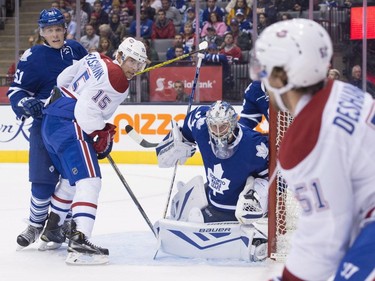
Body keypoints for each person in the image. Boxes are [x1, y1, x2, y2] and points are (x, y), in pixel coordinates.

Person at [250, 18, 375, 280]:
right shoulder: (341, 91)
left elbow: (325, 239)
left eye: (267, 70)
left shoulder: (307, 138)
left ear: (283, 76)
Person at [41, 37, 148, 264]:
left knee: (73, 179)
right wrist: (99, 132)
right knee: (90, 180)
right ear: (119, 56)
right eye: (132, 62)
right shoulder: (119, 79)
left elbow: (62, 79)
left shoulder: (95, 57)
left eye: (140, 64)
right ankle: (80, 241)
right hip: (72, 122)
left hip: (52, 119)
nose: (136, 69)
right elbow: (85, 109)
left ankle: (53, 229)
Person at [6, 8, 87, 249]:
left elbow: (95, 80)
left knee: (75, 179)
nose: (55, 34)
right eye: (49, 30)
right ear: (42, 32)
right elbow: (16, 92)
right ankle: (35, 223)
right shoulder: (33, 57)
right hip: (45, 126)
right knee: (42, 181)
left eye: (58, 29)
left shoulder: (77, 50)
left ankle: (65, 223)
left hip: (75, 125)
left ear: (65, 29)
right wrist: (24, 103)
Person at [154, 100, 269, 261]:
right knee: (190, 214)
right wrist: (177, 143)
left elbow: (273, 180)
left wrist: (258, 194)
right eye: (213, 127)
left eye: (222, 127)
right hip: (213, 203)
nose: (217, 132)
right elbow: (185, 132)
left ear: (234, 122)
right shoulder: (200, 123)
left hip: (237, 212)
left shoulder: (255, 146)